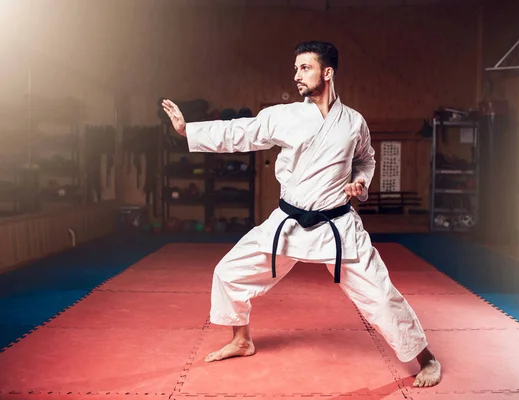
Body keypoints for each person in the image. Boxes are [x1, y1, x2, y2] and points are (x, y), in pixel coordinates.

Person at [161, 41, 441, 388]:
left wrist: (359, 183)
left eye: (304, 68)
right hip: (289, 222)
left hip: (337, 225)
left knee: (382, 296)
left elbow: (366, 160)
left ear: (328, 72)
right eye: (295, 69)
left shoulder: (353, 122)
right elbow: (241, 132)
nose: (296, 75)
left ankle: (426, 359)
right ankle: (242, 339)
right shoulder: (285, 116)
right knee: (229, 272)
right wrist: (190, 131)